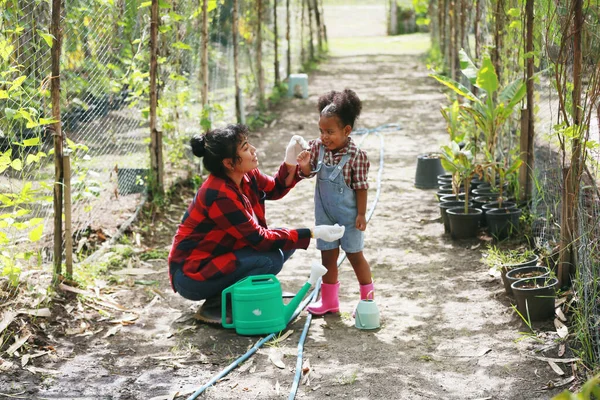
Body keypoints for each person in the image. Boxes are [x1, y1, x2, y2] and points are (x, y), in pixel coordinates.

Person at [168, 124, 345, 324]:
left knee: (285, 245)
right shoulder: (219, 194)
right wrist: (312, 233)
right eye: (245, 148)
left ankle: (234, 297)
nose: (253, 149)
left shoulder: (246, 175)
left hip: (217, 258)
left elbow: (276, 188)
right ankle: (217, 305)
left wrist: (290, 161)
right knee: (270, 259)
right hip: (192, 274)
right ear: (229, 163)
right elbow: (259, 239)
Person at [296, 89, 373, 316]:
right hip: (325, 214)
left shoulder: (357, 156)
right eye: (321, 131)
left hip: (349, 216)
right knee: (327, 255)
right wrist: (304, 165)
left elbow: (361, 187)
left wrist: (361, 214)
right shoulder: (318, 148)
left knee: (354, 255)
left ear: (346, 130)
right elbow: (310, 173)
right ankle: (330, 301)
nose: (324, 137)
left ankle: (367, 302)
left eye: (330, 132)